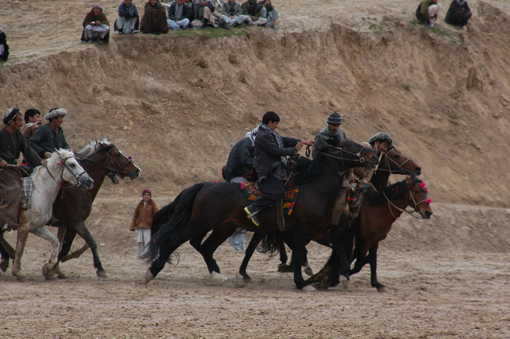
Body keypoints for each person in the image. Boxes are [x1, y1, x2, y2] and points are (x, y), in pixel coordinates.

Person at [244, 111, 313, 226]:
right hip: (267, 170)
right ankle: (253, 208)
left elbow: (284, 140)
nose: (277, 126)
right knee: (279, 191)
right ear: (270, 123)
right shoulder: (264, 135)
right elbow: (277, 151)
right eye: (275, 124)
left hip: (275, 167)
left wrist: (303, 142)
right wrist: (295, 149)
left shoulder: (270, 133)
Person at [0, 108, 44, 231]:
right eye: (19, 121)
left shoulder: (19, 135)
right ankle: (7, 220)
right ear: (12, 123)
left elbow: (28, 151)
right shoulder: (1, 133)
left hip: (13, 169)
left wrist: (41, 163)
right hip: (2, 171)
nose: (22, 123)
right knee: (14, 188)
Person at [130, 189, 159, 257]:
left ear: (150, 196)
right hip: (140, 226)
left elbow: (157, 215)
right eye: (145, 195)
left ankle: (147, 254)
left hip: (148, 226)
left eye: (148, 195)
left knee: (147, 241)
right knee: (140, 241)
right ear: (142, 196)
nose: (146, 196)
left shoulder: (153, 205)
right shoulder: (139, 205)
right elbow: (135, 215)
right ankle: (140, 254)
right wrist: (132, 226)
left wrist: (156, 225)